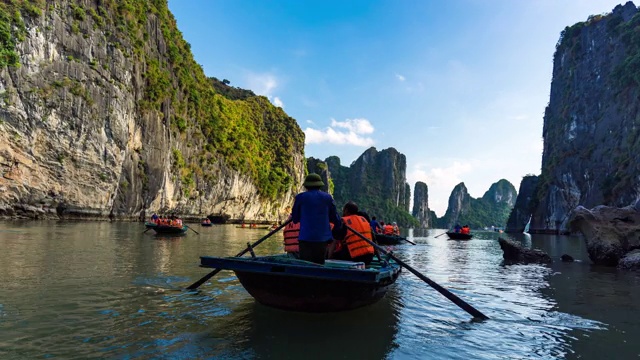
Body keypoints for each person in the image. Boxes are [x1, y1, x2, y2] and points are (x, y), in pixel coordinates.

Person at [291, 173, 342, 265]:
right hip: (322, 239)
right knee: (319, 264)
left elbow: (295, 218)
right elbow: (334, 218)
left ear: (306, 186)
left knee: (305, 265)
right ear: (320, 185)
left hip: (305, 238)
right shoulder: (327, 198)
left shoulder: (300, 197)